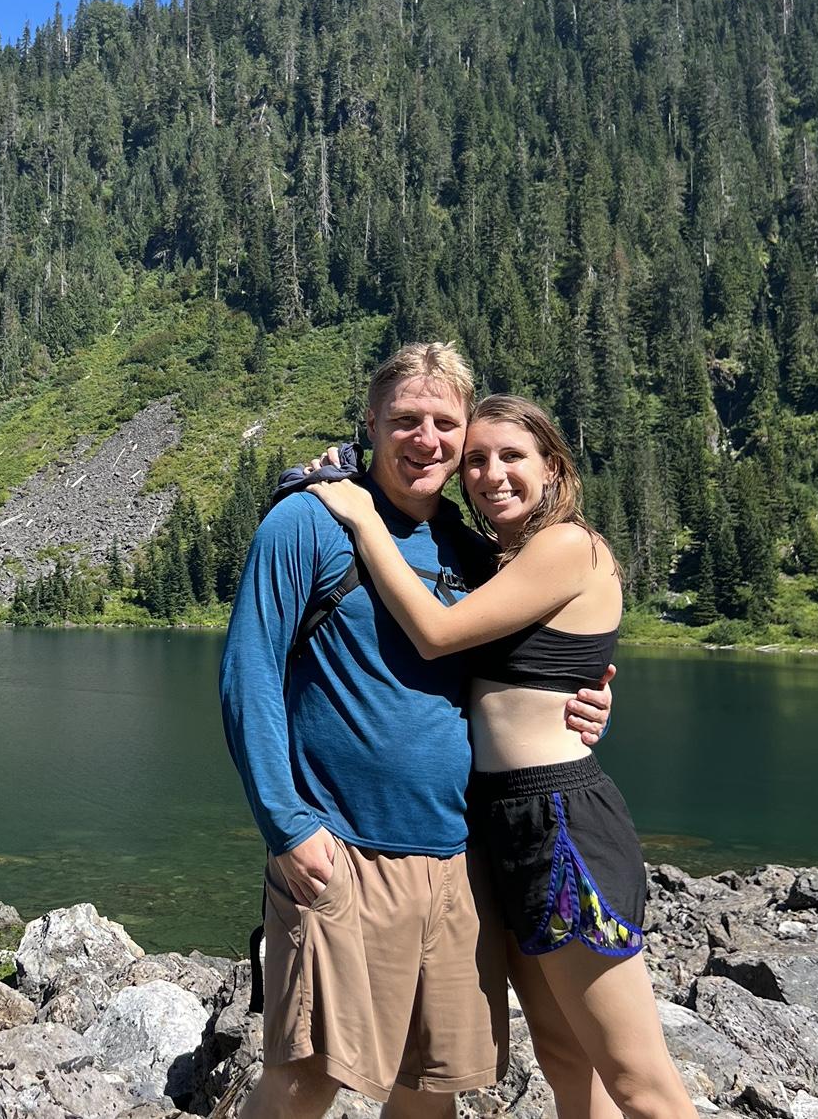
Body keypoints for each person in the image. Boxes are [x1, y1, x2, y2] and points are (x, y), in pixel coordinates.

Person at [219, 344, 612, 1119]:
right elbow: (248, 675)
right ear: (369, 425)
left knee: (431, 1082)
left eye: (443, 422)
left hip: (461, 863)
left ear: (463, 435)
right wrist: (287, 825)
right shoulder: (307, 523)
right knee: (308, 1074)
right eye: (403, 420)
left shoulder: (473, 551)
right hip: (341, 850)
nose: (424, 438)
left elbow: (530, 658)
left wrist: (589, 700)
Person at [306, 393, 695, 1119]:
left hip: (560, 821)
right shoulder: (503, 558)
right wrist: (359, 468)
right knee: (563, 1056)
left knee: (640, 1082)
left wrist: (360, 514)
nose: (490, 475)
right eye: (476, 460)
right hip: (501, 820)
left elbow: (435, 634)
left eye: (511, 457)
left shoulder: (568, 545)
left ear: (553, 466)